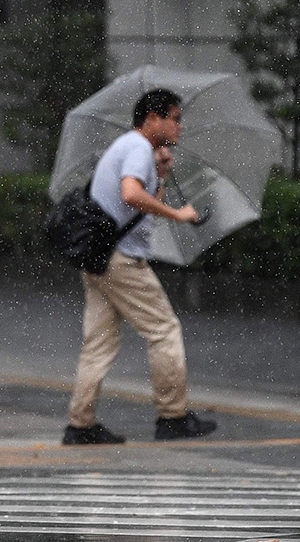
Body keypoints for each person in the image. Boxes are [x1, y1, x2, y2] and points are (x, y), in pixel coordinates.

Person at [62, 88, 218, 445]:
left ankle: (80, 425)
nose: (179, 127)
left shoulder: (134, 149)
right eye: (174, 119)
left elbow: (134, 205)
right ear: (152, 119)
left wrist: (160, 175)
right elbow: (132, 194)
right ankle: (173, 417)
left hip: (100, 257)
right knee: (164, 330)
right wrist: (178, 213)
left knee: (99, 344)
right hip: (121, 261)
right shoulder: (136, 147)